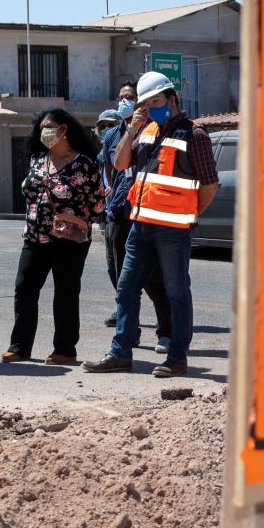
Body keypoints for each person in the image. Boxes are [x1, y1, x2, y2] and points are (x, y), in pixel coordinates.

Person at [86, 71, 218, 379]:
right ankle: (120, 353)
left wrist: (190, 213)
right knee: (126, 287)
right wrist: (131, 132)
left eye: (155, 101)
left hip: (173, 229)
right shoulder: (145, 131)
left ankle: (176, 357)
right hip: (140, 225)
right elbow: (119, 164)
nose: (149, 108)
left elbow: (209, 184)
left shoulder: (193, 134)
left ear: (172, 99)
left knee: (176, 292)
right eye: (144, 104)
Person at [3, 109, 104, 366]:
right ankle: (20, 347)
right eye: (41, 128)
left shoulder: (84, 164)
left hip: (68, 239)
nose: (43, 132)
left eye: (49, 126)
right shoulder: (37, 159)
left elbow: (98, 205)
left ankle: (65, 349)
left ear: (64, 130)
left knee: (65, 292)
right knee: (24, 288)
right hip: (35, 237)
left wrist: (75, 220)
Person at [99, 84, 172, 350]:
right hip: (118, 211)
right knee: (121, 278)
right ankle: (130, 331)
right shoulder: (113, 135)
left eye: (129, 98)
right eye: (120, 98)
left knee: (153, 278)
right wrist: (107, 192)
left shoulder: (154, 131)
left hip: (144, 212)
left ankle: (167, 331)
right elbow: (111, 166)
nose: (123, 103)